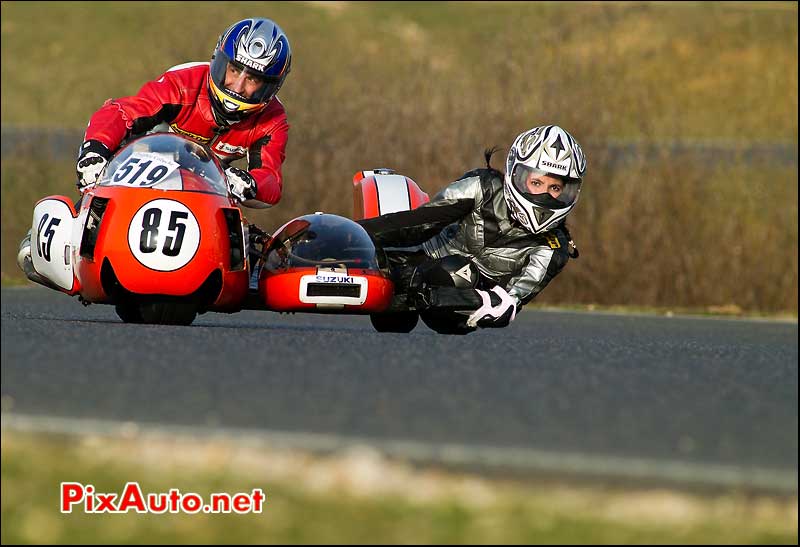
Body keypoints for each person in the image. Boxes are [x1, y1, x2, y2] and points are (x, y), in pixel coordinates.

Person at [18, 17, 292, 283]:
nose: (238, 86)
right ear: (219, 61)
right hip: (142, 178)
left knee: (262, 260)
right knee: (42, 247)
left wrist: (250, 183)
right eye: (234, 70)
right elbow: (121, 112)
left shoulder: (272, 120)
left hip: (207, 197)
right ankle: (76, 235)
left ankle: (230, 270)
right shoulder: (184, 84)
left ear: (269, 86)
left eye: (253, 79)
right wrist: (95, 151)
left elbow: (271, 179)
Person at [357, 124, 586, 332]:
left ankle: (414, 292)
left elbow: (505, 305)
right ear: (516, 174)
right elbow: (422, 222)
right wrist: (354, 235)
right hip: (423, 257)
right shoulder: (482, 186)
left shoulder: (554, 247)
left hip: (460, 303)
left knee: (457, 272)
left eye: (555, 188)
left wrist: (434, 296)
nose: (545, 195)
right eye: (536, 183)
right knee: (392, 321)